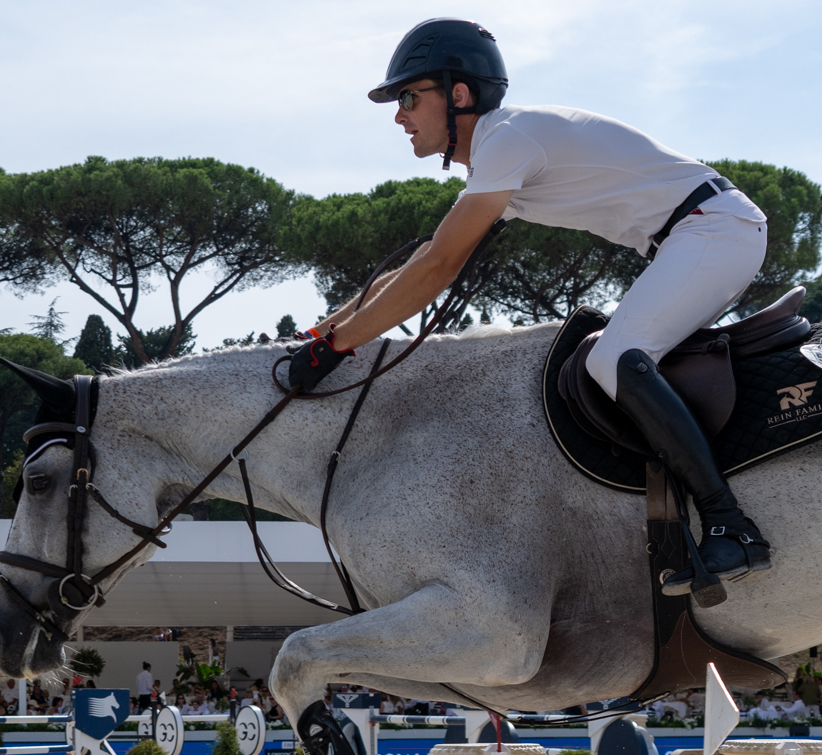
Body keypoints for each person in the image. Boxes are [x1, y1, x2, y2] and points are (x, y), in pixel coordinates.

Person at [287, 19, 773, 604]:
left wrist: (337, 349)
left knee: (614, 358)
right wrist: (325, 332)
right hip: (699, 234)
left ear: (459, 94)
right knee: (614, 357)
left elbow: (440, 267)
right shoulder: (501, 151)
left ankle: (730, 524)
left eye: (410, 97)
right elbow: (422, 260)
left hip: (713, 230)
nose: (399, 115)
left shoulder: (507, 140)